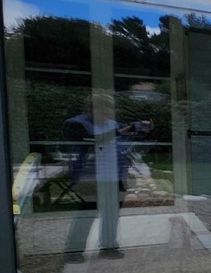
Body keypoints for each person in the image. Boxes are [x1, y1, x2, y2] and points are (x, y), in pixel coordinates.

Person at [63, 92, 151, 262]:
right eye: (106, 107)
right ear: (92, 108)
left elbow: (129, 141)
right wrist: (121, 131)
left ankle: (109, 247)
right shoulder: (75, 124)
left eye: (111, 108)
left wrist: (142, 130)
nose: (110, 111)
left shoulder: (114, 124)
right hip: (89, 177)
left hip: (115, 176)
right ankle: (73, 251)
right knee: (86, 214)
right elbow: (92, 140)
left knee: (112, 214)